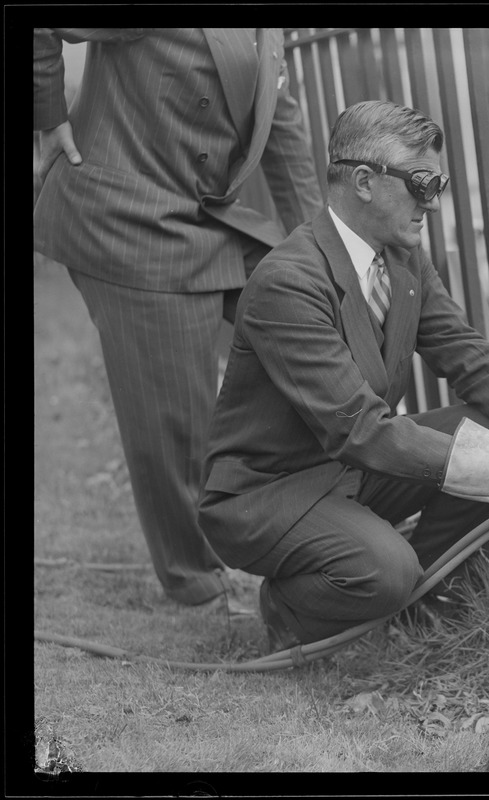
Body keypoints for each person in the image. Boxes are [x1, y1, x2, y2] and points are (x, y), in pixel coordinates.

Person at [196, 100, 489, 651]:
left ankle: (428, 604)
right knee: (384, 571)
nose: (431, 203)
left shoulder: (402, 258)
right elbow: (359, 429)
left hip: (352, 470)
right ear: (364, 181)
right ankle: (288, 608)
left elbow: (467, 355)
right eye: (420, 183)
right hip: (274, 490)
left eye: (438, 184)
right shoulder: (287, 283)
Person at [33, 28, 326, 611]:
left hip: (201, 218)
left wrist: (324, 256)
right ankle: (196, 583)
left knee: (303, 315)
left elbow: (282, 125)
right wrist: (48, 114)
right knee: (176, 420)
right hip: (125, 217)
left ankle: (297, 510)